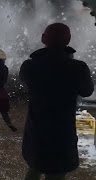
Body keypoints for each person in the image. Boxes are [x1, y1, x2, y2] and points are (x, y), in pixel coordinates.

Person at [19, 23, 94, 180]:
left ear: (43, 38)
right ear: (68, 40)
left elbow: (28, 83)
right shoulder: (78, 68)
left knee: (35, 167)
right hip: (62, 135)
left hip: (37, 133)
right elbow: (87, 91)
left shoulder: (29, 66)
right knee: (57, 174)